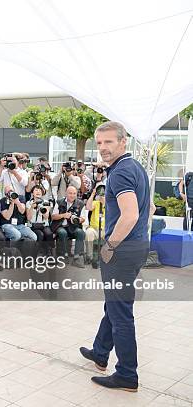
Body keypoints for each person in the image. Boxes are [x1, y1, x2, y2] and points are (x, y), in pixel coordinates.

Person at [79, 121, 150, 392]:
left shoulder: (120, 173)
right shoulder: (134, 167)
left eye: (109, 142)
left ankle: (127, 374)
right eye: (99, 143)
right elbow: (149, 206)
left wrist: (110, 245)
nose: (103, 148)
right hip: (136, 247)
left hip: (122, 251)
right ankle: (100, 352)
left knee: (120, 312)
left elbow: (130, 215)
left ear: (123, 142)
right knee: (114, 304)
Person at [51, 185, 86, 267]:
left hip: (73, 227)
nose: (72, 195)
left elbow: (83, 218)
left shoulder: (80, 204)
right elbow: (53, 216)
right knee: (62, 232)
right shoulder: (59, 202)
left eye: (74, 193)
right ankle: (64, 255)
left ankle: (76, 258)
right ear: (66, 193)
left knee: (81, 233)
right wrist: (63, 215)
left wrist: (77, 219)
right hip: (61, 226)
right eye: (70, 193)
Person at [26, 185, 54, 255]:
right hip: (33, 225)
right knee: (40, 234)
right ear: (32, 193)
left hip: (44, 225)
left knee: (49, 233)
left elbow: (46, 217)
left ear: (42, 193)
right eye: (36, 190)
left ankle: (49, 253)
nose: (38, 191)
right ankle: (35, 254)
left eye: (39, 190)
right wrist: (32, 207)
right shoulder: (29, 203)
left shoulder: (46, 202)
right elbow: (28, 218)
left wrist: (44, 208)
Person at [85, 184, 106, 264]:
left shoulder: (110, 205)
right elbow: (88, 207)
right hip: (94, 229)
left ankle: (107, 257)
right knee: (88, 232)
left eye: (104, 194)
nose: (102, 196)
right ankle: (89, 257)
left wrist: (104, 203)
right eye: (101, 194)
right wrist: (93, 194)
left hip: (105, 230)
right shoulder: (95, 203)